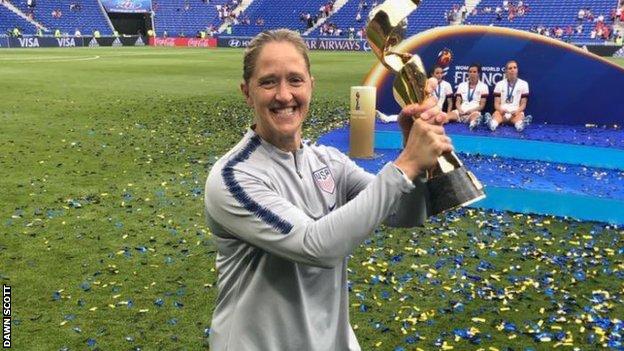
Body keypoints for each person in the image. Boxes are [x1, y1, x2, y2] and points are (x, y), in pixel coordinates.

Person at [204, 29, 452, 351]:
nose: (284, 95)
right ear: (247, 93)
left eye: (295, 80)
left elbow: (405, 213)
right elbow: (316, 247)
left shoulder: (328, 161)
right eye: (268, 82)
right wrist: (405, 165)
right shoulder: (233, 177)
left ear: (311, 86)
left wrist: (414, 162)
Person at [488, 60, 530, 131]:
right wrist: (501, 110)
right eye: (510, 68)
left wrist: (517, 111)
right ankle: (492, 124)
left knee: (519, 117)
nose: (513, 70)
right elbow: (496, 104)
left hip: (516, 111)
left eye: (515, 67)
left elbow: (523, 104)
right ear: (506, 71)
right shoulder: (499, 84)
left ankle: (519, 125)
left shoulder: (524, 84)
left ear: (517, 70)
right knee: (496, 114)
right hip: (502, 111)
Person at [447, 63, 489, 130]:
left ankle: (473, 124)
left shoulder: (484, 86)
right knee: (447, 116)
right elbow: (458, 101)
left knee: (475, 118)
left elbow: (482, 105)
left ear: (479, 73)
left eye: (474, 72)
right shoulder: (461, 85)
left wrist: (471, 111)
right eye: (470, 72)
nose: (472, 73)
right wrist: (459, 110)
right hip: (461, 111)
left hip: (473, 111)